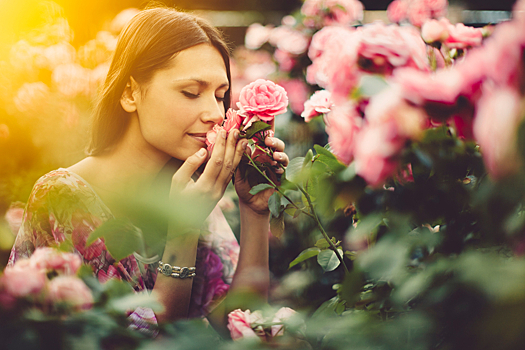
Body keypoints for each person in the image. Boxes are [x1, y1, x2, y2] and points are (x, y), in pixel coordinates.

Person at [7, 6, 289, 335]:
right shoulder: (63, 197)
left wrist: (254, 210)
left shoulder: (186, 188)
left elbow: (241, 324)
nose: (214, 112)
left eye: (221, 95)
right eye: (191, 93)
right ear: (130, 93)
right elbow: (143, 340)